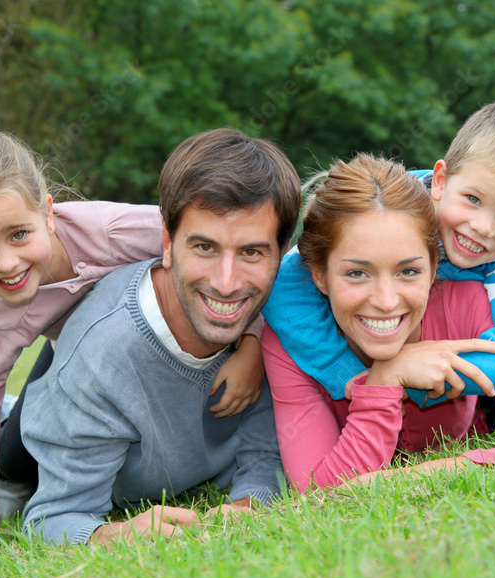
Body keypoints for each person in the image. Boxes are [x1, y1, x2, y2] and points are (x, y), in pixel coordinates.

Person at [0, 128, 265, 554]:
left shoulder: (119, 230)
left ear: (48, 213)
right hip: (67, 358)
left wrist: (251, 343)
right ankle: (10, 453)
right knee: (21, 452)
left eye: (18, 235)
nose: (5, 263)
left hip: (111, 348)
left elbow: (237, 250)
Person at [20, 127, 301, 546]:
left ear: (280, 255)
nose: (226, 283)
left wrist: (252, 502)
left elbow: (267, 454)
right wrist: (117, 534)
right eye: (204, 247)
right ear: (167, 243)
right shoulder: (102, 359)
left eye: (251, 252)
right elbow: (52, 518)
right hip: (43, 431)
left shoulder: (282, 316)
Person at [261, 154, 495, 491]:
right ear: (320, 276)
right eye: (357, 273)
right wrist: (384, 380)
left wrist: (419, 475)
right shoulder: (291, 339)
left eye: (409, 271)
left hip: (485, 411)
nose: (386, 301)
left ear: (435, 268)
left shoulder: (472, 303)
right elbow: (317, 490)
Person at [261, 102, 495, 423]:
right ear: (440, 181)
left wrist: (417, 380)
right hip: (415, 314)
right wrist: (348, 375)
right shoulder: (392, 209)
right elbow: (284, 284)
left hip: (480, 312)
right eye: (472, 199)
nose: (483, 226)